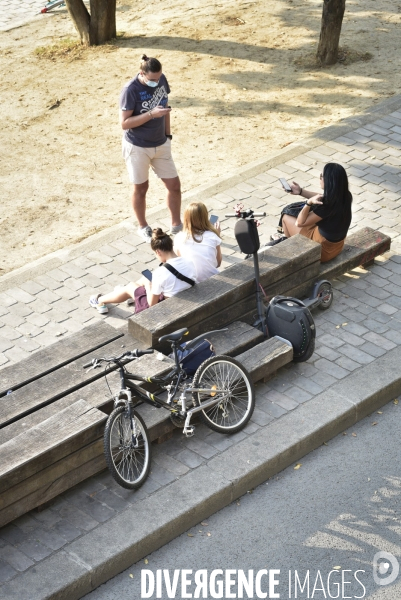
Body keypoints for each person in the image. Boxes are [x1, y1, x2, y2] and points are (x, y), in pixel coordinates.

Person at [120, 54, 182, 243]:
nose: (157, 81)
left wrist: (168, 135)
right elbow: (124, 123)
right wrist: (150, 114)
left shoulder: (161, 79)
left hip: (161, 143)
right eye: (152, 79)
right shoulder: (130, 90)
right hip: (138, 147)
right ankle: (143, 226)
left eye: (159, 77)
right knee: (141, 188)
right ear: (142, 74)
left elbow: (165, 108)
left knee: (174, 186)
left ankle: (177, 226)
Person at [89, 229, 196, 314]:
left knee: (131, 286)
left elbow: (152, 304)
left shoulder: (161, 272)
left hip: (165, 311)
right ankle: (128, 294)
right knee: (145, 279)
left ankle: (99, 300)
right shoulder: (189, 261)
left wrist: (149, 287)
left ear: (158, 252)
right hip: (182, 300)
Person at [279, 162, 352, 262]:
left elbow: (299, 223)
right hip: (336, 247)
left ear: (328, 181)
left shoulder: (326, 206)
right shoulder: (345, 196)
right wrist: (300, 191)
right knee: (308, 220)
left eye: (321, 176)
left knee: (286, 217)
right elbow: (322, 197)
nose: (320, 178)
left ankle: (291, 249)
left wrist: (308, 204)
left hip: (322, 252)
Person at [174, 202, 222, 282]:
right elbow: (218, 263)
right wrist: (217, 234)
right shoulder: (212, 236)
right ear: (205, 216)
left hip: (191, 282)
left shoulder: (179, 238)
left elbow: (180, 261)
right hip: (212, 280)